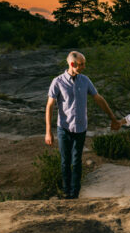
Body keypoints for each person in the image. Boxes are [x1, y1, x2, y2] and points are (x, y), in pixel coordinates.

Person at [46, 51, 120, 199]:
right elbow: (50, 106)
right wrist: (48, 131)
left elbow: (98, 98)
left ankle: (75, 194)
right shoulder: (58, 82)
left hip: (80, 128)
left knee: (76, 160)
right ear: (72, 64)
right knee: (65, 161)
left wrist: (112, 117)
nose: (84, 67)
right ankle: (66, 192)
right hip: (64, 128)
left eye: (84, 63)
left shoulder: (85, 80)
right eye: (81, 64)